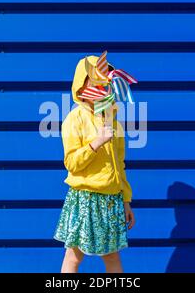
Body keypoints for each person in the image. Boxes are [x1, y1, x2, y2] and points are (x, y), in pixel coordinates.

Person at [53, 54, 135, 273]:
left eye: (106, 80)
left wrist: (125, 200)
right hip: (85, 198)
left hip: (111, 200)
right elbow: (71, 163)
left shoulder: (113, 120)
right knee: (73, 256)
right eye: (95, 81)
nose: (103, 85)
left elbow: (120, 165)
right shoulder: (75, 119)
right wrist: (96, 142)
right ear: (81, 87)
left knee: (112, 257)